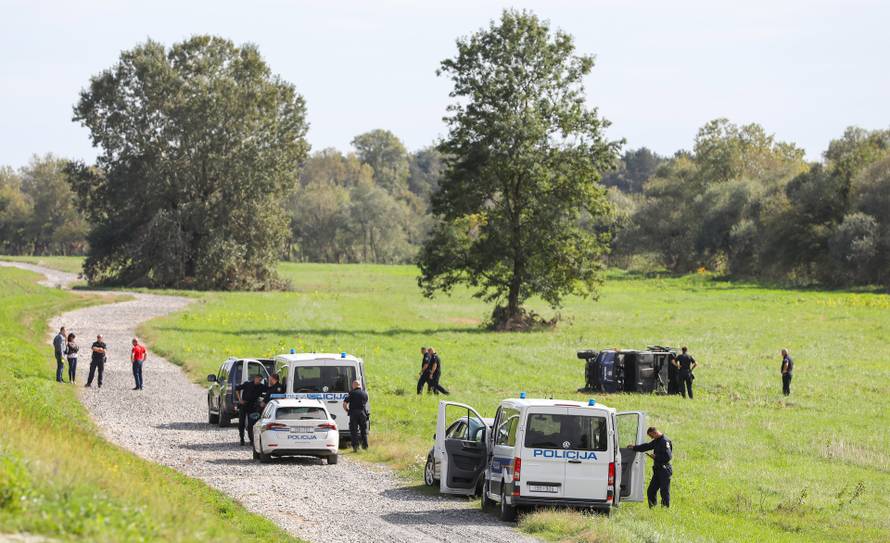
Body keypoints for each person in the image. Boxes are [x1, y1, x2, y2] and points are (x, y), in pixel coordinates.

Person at [627, 426, 673, 508]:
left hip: (664, 470)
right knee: (651, 491)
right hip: (658, 470)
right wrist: (634, 447)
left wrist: (656, 457)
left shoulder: (664, 441)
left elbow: (668, 457)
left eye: (651, 436)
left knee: (664, 491)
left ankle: (665, 509)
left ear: (655, 432)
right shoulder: (657, 441)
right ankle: (653, 509)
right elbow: (647, 446)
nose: (651, 438)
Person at [235, 374, 266, 446]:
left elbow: (269, 391)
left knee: (251, 424)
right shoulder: (247, 384)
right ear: (255, 378)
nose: (259, 381)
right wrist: (240, 399)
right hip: (244, 405)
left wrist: (263, 401)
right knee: (241, 423)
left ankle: (251, 440)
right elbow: (237, 388)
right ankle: (242, 439)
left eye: (260, 380)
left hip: (252, 407)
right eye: (259, 379)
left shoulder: (261, 386)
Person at [343, 379, 369, 452]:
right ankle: (365, 447)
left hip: (353, 414)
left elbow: (344, 404)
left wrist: (347, 410)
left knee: (354, 431)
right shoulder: (365, 394)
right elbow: (365, 403)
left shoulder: (351, 393)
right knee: (363, 431)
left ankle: (356, 447)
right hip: (362, 413)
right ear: (359, 385)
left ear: (354, 385)